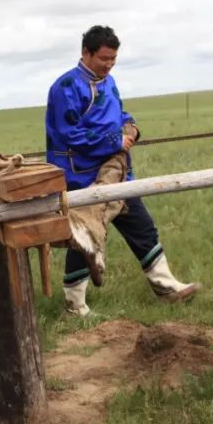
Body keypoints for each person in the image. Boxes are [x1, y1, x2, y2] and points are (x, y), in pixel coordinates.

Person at [46, 25, 198, 316]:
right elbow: (69, 135)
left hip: (116, 173)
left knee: (142, 226)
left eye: (113, 59)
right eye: (104, 58)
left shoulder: (109, 81)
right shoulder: (65, 87)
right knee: (85, 237)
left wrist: (131, 127)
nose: (109, 65)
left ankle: (166, 287)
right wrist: (116, 140)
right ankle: (74, 306)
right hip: (81, 178)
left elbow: (119, 113)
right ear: (86, 53)